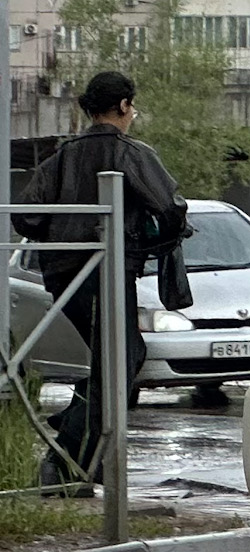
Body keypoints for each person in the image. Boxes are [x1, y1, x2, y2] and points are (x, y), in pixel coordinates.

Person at [15, 71, 186, 490]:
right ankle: (68, 457)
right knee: (118, 360)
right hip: (104, 271)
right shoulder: (131, 153)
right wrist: (147, 241)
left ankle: (87, 456)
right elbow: (171, 208)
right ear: (125, 106)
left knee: (118, 357)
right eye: (133, 107)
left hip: (63, 274)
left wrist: (62, 232)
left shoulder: (60, 156)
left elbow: (26, 216)